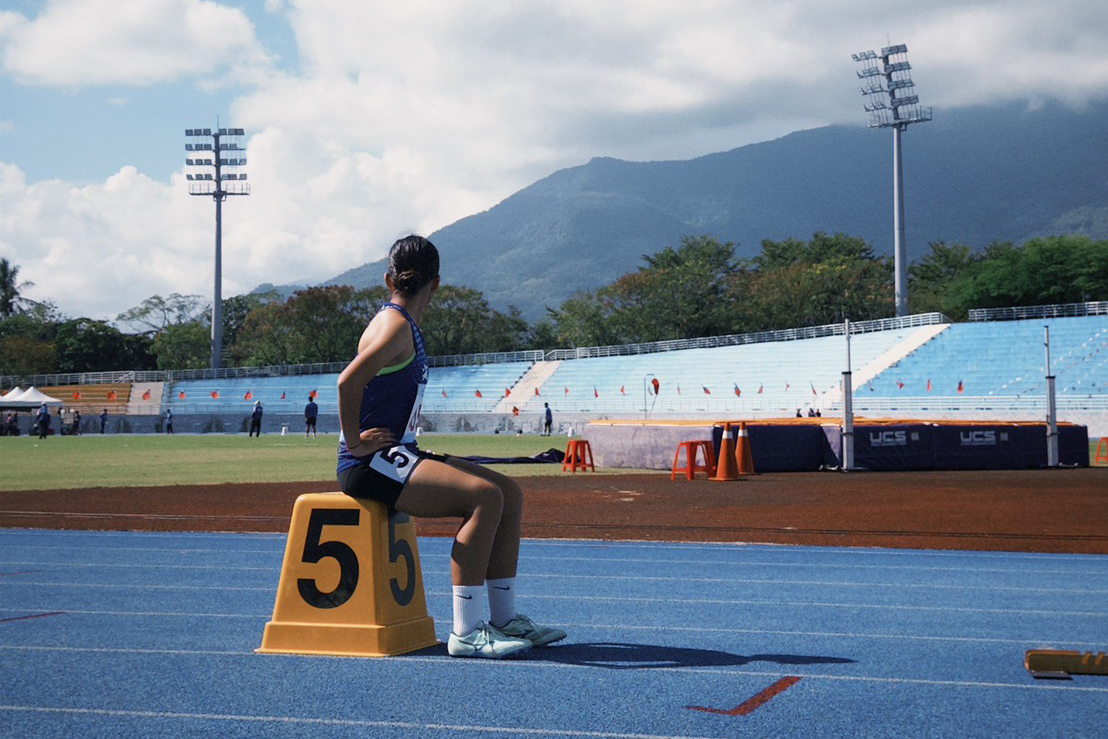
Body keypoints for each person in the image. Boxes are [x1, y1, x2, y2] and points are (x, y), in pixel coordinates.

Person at [336, 235, 565, 659]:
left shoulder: (401, 323)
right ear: (436, 284)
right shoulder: (395, 326)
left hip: (397, 452)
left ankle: (504, 618)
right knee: (482, 497)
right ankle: (466, 630)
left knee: (508, 493)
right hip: (369, 463)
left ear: (389, 278)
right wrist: (354, 442)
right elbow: (347, 381)